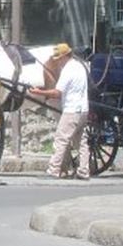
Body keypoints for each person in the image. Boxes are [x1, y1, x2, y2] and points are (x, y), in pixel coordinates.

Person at [30, 42, 90, 179]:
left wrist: (39, 92)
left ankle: (54, 169)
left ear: (65, 56)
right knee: (81, 142)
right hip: (83, 109)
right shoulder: (80, 66)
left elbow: (57, 93)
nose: (58, 62)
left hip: (72, 110)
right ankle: (84, 171)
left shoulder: (67, 71)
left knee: (60, 139)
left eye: (59, 59)